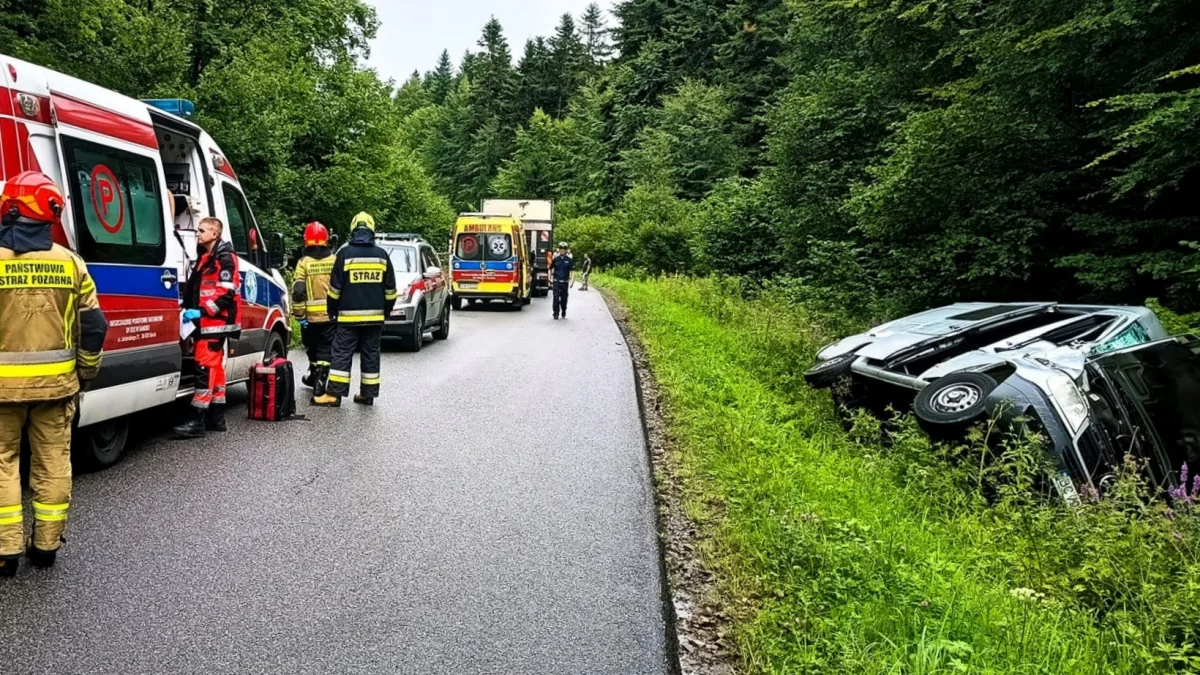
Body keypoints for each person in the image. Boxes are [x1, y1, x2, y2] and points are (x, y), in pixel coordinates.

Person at [0, 171, 108, 576]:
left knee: (2, 462)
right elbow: (94, 325)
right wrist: (86, 371)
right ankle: (45, 546)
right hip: (57, 388)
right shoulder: (70, 263)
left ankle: (5, 552)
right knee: (53, 463)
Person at [313, 212, 397, 407]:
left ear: (353, 230)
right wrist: (386, 311)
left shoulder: (344, 254)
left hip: (347, 318)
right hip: (375, 318)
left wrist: (332, 311)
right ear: (372, 230)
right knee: (371, 354)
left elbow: (334, 290)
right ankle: (368, 394)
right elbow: (391, 291)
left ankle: (334, 395)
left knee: (342, 352)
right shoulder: (382, 256)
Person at [174, 216, 240, 439]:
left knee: (204, 367)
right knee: (216, 370)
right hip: (208, 322)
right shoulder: (207, 256)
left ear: (215, 234)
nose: (198, 233)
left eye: (202, 231)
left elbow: (226, 293)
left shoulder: (224, 258)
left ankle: (198, 421)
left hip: (214, 323)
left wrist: (201, 312)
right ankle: (217, 417)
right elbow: (197, 286)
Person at [292, 221, 336, 403]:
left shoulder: (304, 263)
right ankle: (320, 384)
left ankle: (313, 376)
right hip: (330, 316)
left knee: (312, 348)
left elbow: (298, 291)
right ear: (327, 240)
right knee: (326, 350)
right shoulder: (334, 261)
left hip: (310, 318)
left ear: (306, 241)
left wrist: (299, 315)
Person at [550, 241, 574, 320]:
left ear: (566, 250)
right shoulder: (556, 259)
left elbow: (572, 271)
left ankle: (563, 310)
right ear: (559, 250)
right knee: (556, 297)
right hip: (556, 281)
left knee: (564, 298)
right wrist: (550, 278)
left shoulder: (569, 260)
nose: (562, 250)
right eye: (561, 249)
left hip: (564, 282)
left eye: (564, 249)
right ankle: (556, 313)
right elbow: (550, 268)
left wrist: (572, 281)